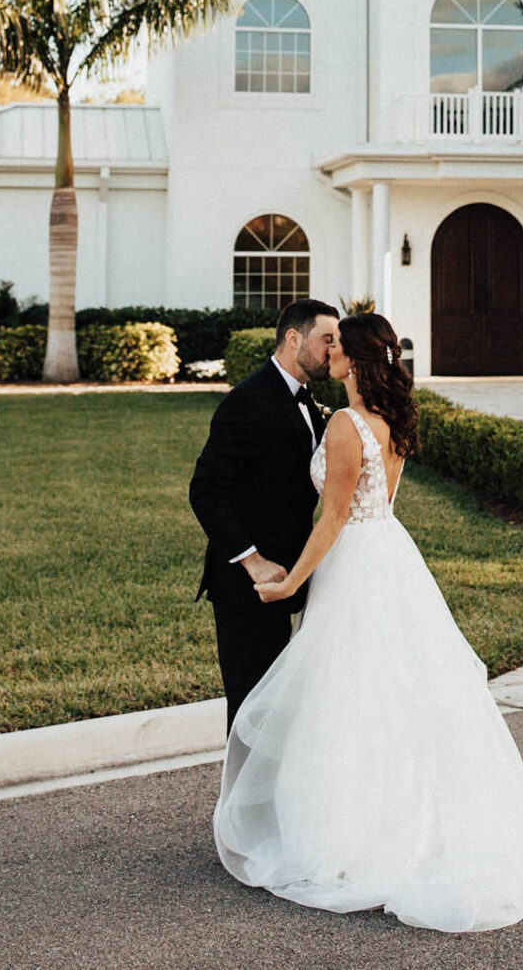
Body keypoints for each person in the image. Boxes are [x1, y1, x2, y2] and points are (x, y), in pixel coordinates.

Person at [212, 311, 523, 933]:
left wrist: (291, 580)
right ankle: (386, 816)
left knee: (350, 695)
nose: (329, 352)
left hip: (355, 565)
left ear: (357, 360)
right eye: (326, 341)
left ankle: (356, 836)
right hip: (390, 557)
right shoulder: (387, 420)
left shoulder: (345, 422)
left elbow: (334, 517)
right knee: (393, 695)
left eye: (338, 346)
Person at [189, 297, 340, 730]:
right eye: (325, 339)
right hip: (248, 584)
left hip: (294, 576)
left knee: (284, 706)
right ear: (293, 339)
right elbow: (206, 490)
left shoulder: (308, 400)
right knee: (253, 708)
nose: (332, 350)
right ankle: (241, 799)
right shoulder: (248, 400)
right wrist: (253, 563)